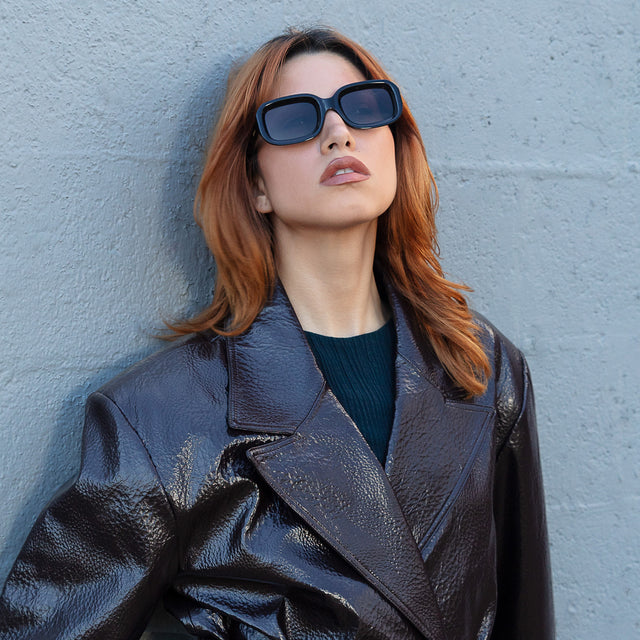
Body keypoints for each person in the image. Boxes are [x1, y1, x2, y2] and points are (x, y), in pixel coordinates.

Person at [0, 27, 554, 640]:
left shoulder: (481, 367)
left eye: (364, 107)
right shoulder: (161, 418)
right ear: (255, 184)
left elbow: (524, 618)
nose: (338, 133)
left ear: (396, 146)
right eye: (294, 119)